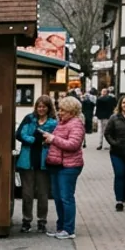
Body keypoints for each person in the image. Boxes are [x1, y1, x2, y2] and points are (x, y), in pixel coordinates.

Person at [15, 95, 57, 233]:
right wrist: (36, 140)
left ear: (48, 108)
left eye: (44, 106)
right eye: (39, 106)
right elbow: (20, 134)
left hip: (44, 161)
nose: (41, 109)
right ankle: (26, 220)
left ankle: (42, 221)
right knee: (27, 193)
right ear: (36, 107)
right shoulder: (29, 118)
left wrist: (43, 140)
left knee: (43, 193)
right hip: (27, 161)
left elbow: (55, 139)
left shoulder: (53, 123)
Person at [46, 96, 87, 239]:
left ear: (71, 111)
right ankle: (61, 227)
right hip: (57, 165)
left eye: (63, 110)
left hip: (69, 166)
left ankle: (69, 230)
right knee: (57, 197)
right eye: (60, 109)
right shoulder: (62, 123)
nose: (59, 112)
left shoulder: (76, 124)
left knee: (66, 197)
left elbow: (73, 145)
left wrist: (53, 139)